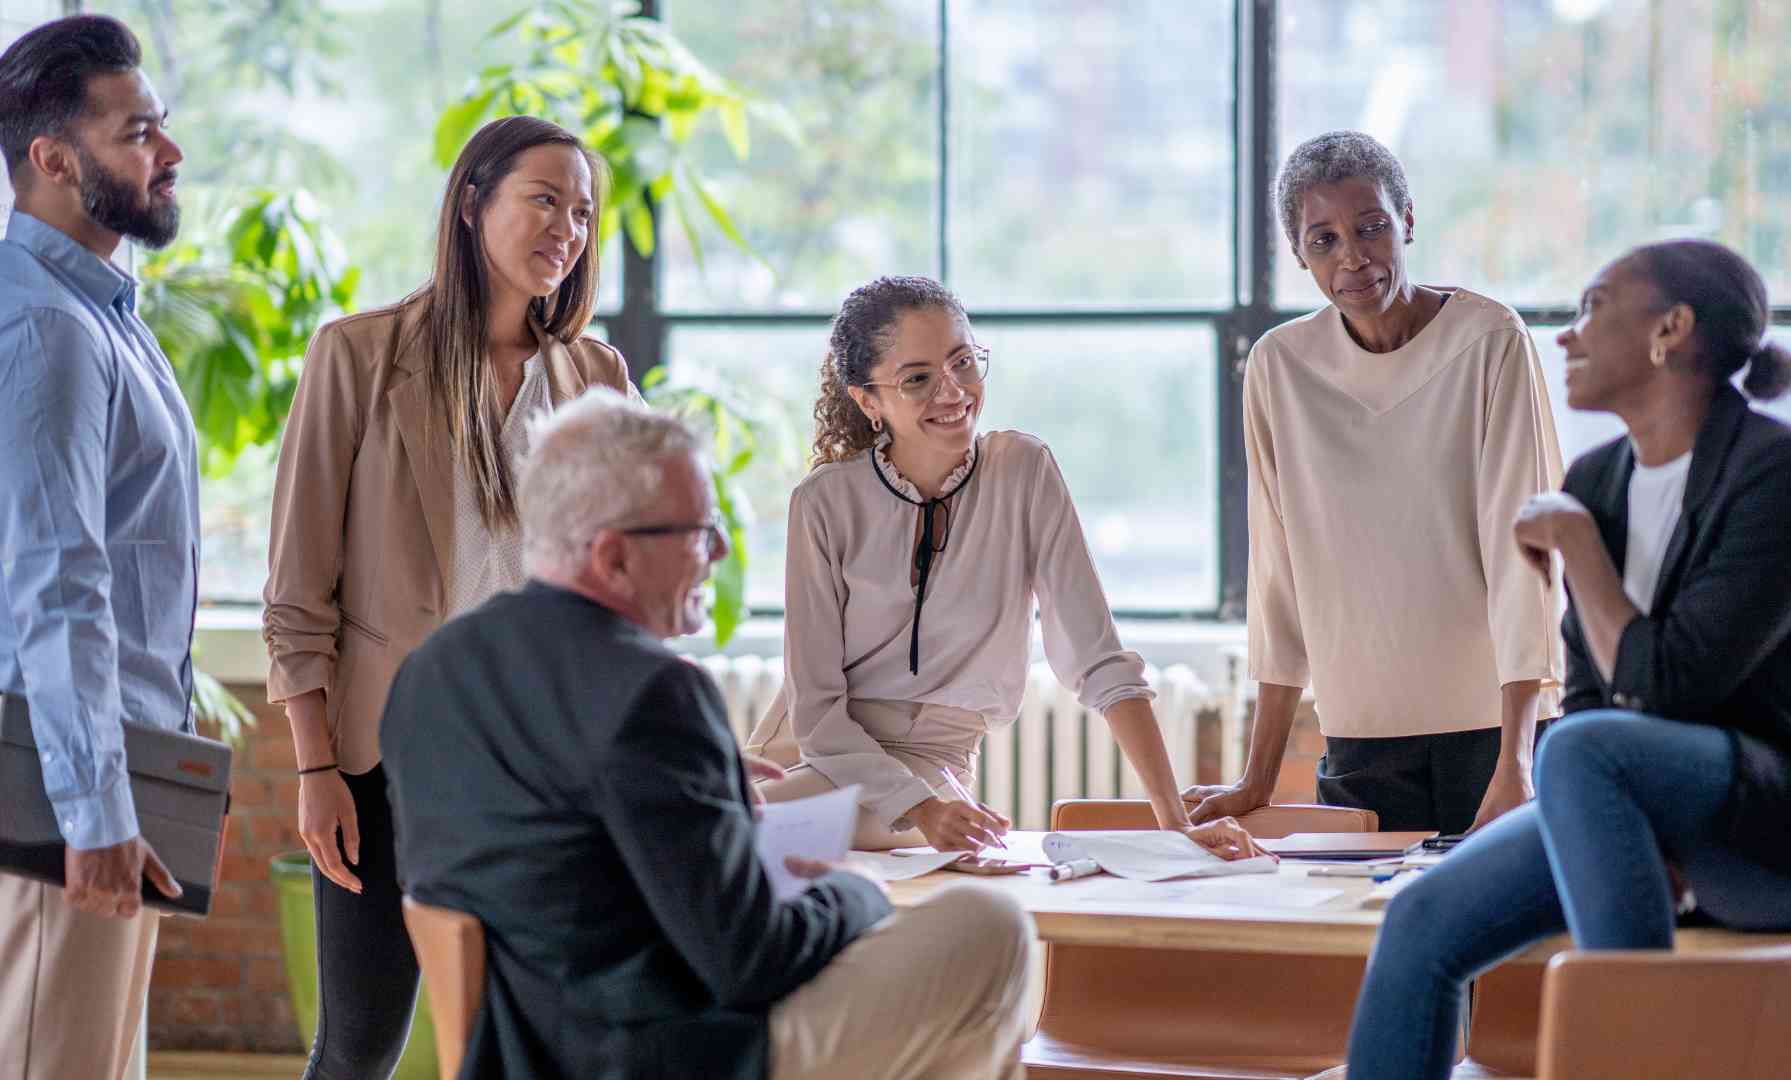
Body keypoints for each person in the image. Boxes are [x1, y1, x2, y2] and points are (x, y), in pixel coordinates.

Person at [1338, 240, 1791, 1079]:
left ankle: (1638, 1061)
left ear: (1670, 330)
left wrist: (1577, 546)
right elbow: (1590, 696)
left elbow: (1669, 685)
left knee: (1577, 748)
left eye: (1594, 307)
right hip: (1665, 810)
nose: (1568, 336)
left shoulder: (1785, 476)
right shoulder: (1601, 479)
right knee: (1423, 920)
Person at [380, 392, 1034, 1079]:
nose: (720, 550)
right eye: (697, 530)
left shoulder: (432, 669)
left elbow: (555, 849)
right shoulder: (651, 692)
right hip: (657, 1057)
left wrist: (705, 804)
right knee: (990, 927)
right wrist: (858, 885)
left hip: (521, 1051)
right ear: (613, 557)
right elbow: (754, 961)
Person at [262, 116, 638, 1078]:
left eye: (584, 211)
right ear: (472, 203)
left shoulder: (594, 376)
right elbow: (298, 591)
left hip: (546, 770)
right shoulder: (359, 356)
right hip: (385, 766)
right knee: (359, 1047)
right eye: (544, 199)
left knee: (533, 1045)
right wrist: (315, 772)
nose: (568, 227)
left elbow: (627, 580)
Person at [747, 275, 1262, 859]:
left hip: (934, 763)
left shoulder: (1023, 470)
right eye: (918, 379)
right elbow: (816, 715)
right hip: (814, 753)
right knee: (713, 843)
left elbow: (1099, 662)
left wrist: (1176, 824)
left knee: (727, 846)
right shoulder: (822, 502)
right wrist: (920, 808)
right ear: (868, 400)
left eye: (963, 362)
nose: (953, 391)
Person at [1185, 130, 1563, 836]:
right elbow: (1278, 579)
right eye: (1322, 240)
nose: (1353, 257)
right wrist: (1256, 780)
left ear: (1407, 220)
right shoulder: (1279, 367)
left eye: (1371, 227)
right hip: (1361, 733)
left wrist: (1519, 760)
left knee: (1504, 941)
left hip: (1494, 730)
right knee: (1363, 938)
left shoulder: (1490, 340)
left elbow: (1528, 563)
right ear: (1299, 254)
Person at [0, 15, 196, 1079]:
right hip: (58, 805)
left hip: (109, 786)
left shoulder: (106, 316)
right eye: (138, 133)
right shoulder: (45, 329)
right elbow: (55, 578)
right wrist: (95, 813)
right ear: (53, 160)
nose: (167, 155)